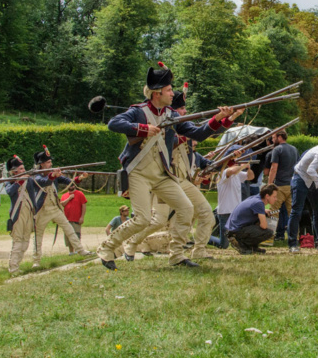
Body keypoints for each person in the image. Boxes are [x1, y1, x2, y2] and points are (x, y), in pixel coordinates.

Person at [95, 62, 235, 270]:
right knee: (142, 219)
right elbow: (113, 124)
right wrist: (143, 129)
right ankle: (107, 248)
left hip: (161, 173)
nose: (172, 93)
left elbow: (197, 133)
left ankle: (176, 255)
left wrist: (219, 118)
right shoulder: (138, 112)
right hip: (138, 172)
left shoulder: (173, 115)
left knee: (186, 209)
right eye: (169, 90)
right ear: (156, 93)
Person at [26, 146, 91, 262]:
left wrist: (80, 177)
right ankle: (36, 261)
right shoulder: (36, 176)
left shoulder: (53, 174)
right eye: (48, 162)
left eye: (50, 162)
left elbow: (69, 182)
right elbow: (45, 182)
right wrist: (53, 175)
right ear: (42, 164)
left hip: (55, 208)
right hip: (42, 210)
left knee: (69, 229)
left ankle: (81, 251)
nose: (51, 164)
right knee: (38, 236)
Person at [265, 130, 299, 250]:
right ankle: (295, 239)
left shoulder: (277, 150)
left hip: (279, 185)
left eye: (274, 137)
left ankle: (268, 239)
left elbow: (274, 168)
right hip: (292, 184)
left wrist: (270, 184)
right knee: (292, 213)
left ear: (279, 137)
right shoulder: (294, 149)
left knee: (273, 212)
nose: (272, 140)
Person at [225, 184, 281, 254]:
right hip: (236, 231)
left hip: (232, 229)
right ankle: (242, 245)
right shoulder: (259, 203)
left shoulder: (255, 198)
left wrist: (263, 211)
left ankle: (252, 247)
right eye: (274, 197)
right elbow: (264, 226)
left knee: (259, 224)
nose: (276, 199)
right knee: (268, 232)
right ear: (267, 196)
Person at [3, 155, 35, 275]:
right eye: (21, 169)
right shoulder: (8, 181)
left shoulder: (29, 180)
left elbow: (36, 190)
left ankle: (17, 264)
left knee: (25, 242)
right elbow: (10, 192)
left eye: (23, 168)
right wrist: (20, 180)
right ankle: (13, 268)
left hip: (29, 213)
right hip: (18, 214)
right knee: (18, 241)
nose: (23, 170)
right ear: (14, 171)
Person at [60, 181, 88, 249]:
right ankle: (71, 252)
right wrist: (69, 198)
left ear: (74, 186)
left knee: (76, 235)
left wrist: (82, 217)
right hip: (67, 219)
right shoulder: (64, 195)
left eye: (72, 185)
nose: (70, 187)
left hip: (76, 219)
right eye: (69, 185)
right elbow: (62, 204)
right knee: (68, 235)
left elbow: (84, 206)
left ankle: (77, 250)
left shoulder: (80, 194)